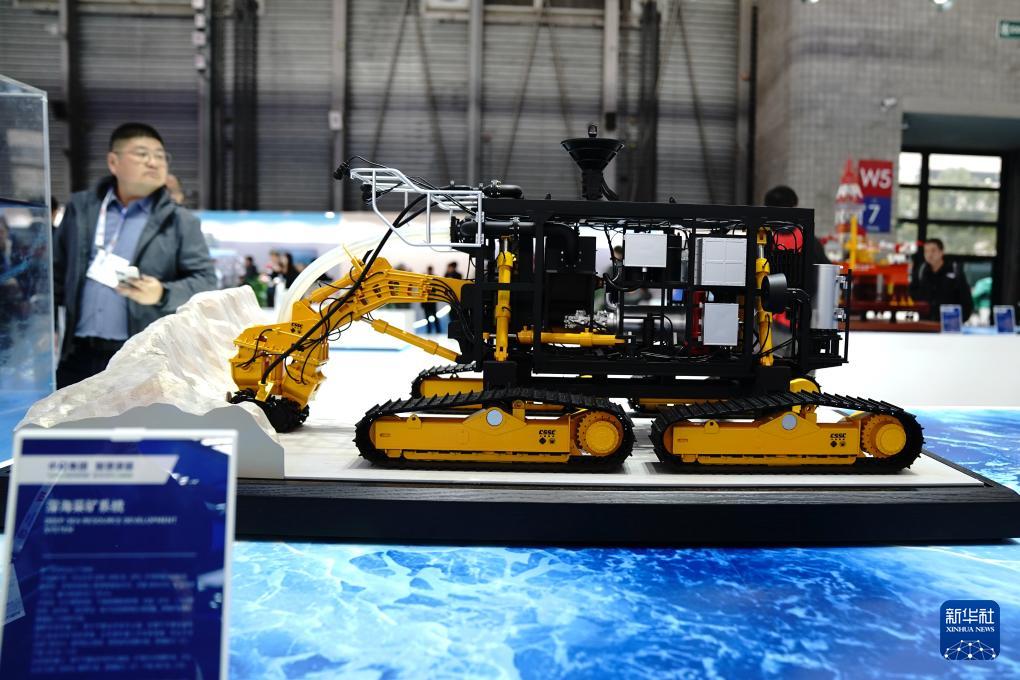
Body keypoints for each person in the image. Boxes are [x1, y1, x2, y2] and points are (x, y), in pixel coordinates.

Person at [53, 122, 217, 388]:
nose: (154, 162)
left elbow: (206, 282)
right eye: (142, 154)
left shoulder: (180, 221)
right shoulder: (81, 210)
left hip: (139, 359)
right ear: (113, 162)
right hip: (77, 354)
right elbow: (55, 273)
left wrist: (162, 293)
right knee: (67, 415)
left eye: (161, 156)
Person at [909, 238, 973, 322]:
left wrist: (960, 320)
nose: (929, 255)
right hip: (926, 322)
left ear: (941, 252)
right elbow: (912, 294)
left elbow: (966, 300)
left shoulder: (954, 270)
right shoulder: (921, 271)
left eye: (933, 251)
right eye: (926, 251)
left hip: (950, 322)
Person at [421, 265, 439, 333]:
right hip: (429, 301)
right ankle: (434, 330)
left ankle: (433, 330)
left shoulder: (426, 278)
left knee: (430, 316)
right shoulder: (433, 278)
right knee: (430, 316)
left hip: (429, 301)